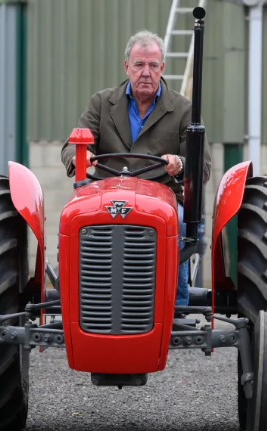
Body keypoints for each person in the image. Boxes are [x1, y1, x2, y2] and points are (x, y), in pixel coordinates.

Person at [60, 30, 212, 307]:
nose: (146, 72)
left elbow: (201, 167)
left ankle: (175, 304)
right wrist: (81, 156)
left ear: (162, 68)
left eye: (153, 65)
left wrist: (179, 165)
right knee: (74, 219)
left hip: (161, 195)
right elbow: (71, 145)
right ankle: (81, 301)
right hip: (105, 192)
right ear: (126, 66)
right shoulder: (101, 103)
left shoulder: (183, 110)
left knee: (176, 221)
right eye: (139, 64)